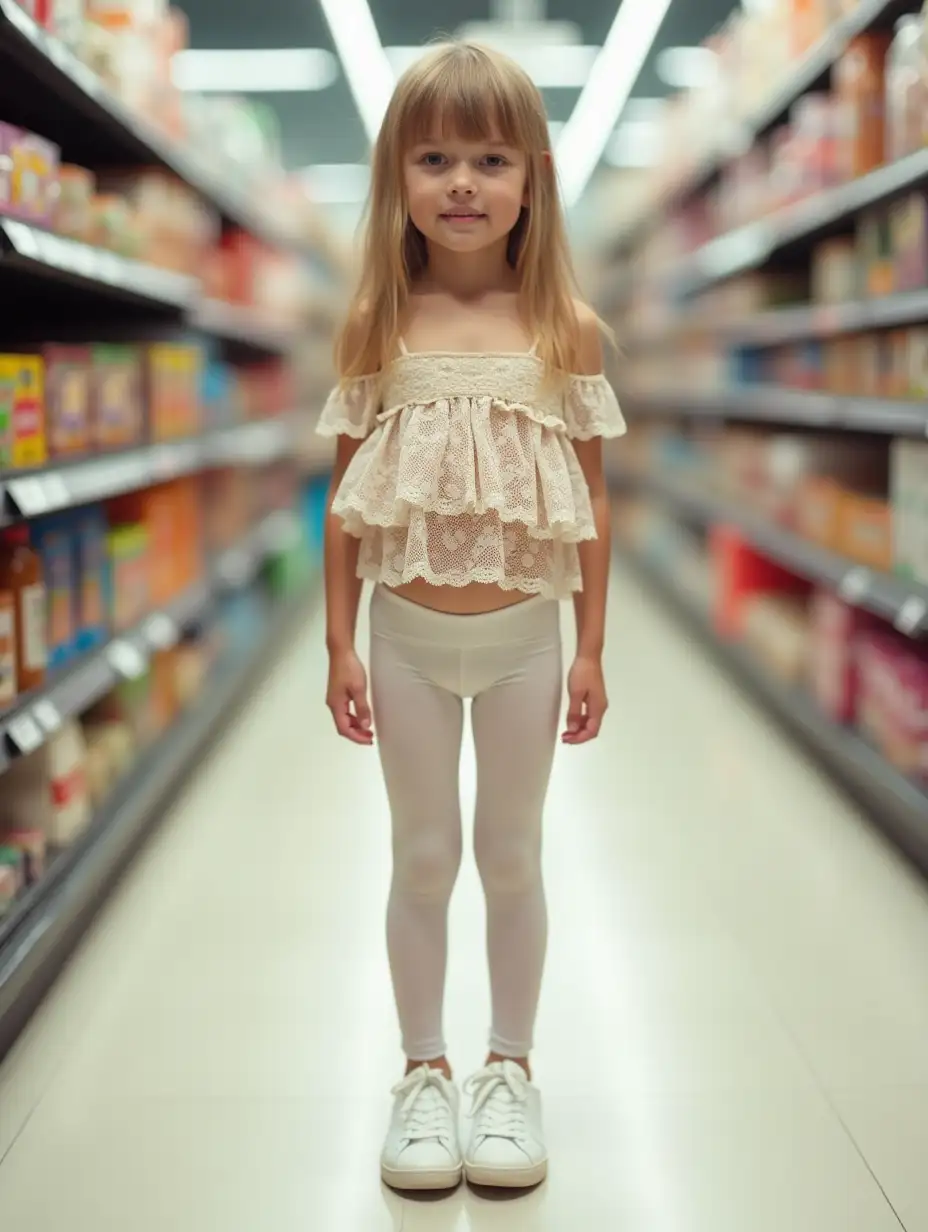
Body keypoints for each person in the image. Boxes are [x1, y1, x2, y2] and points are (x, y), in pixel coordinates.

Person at [317, 40, 625, 1193]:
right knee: (420, 855)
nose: (460, 183)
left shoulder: (566, 332)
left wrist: (590, 644)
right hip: (400, 636)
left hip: (521, 647)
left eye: (488, 158)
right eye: (432, 156)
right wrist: (336, 639)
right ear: (395, 177)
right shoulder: (372, 327)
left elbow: (593, 495)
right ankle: (421, 1071)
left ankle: (509, 1068)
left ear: (531, 179)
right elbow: (345, 503)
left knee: (509, 855)